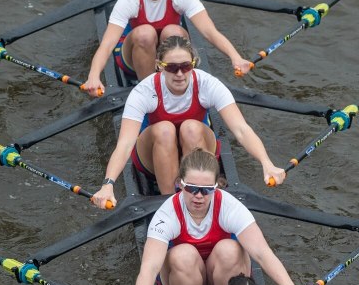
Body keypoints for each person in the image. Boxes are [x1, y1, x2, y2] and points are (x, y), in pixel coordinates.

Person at [122, 149, 306, 285]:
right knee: (182, 254)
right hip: (182, 279)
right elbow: (150, 267)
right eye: (192, 188)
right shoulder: (167, 214)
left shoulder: (230, 206)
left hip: (221, 273)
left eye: (207, 190)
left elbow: (262, 253)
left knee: (230, 250)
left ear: (216, 186)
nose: (199, 196)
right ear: (180, 184)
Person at [91, 36, 285, 204]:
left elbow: (241, 129)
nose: (180, 74)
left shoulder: (207, 84)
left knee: (191, 128)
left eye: (185, 66)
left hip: (196, 147)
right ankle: (170, 204)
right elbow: (125, 144)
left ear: (194, 63)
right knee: (165, 130)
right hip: (154, 155)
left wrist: (266, 162)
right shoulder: (144, 91)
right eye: (172, 67)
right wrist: (108, 184)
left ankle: (200, 189)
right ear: (159, 65)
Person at [83, 0, 252, 97]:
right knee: (145, 34)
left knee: (173, 32)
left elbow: (209, 31)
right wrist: (94, 75)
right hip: (134, 59)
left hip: (170, 56)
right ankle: (150, 93)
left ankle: (174, 84)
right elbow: (107, 44)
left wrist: (235, 57)